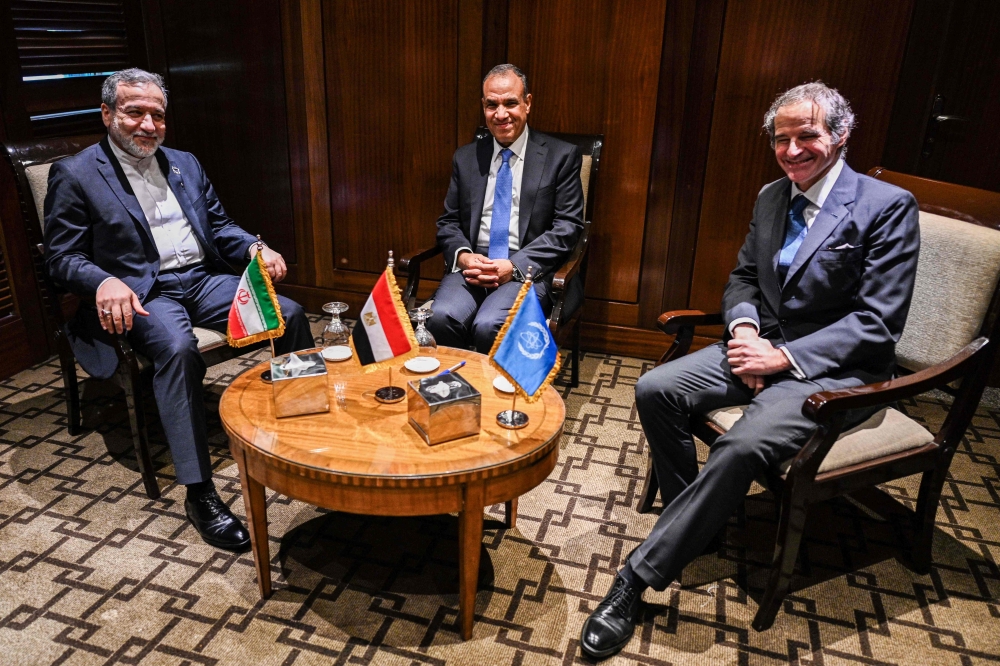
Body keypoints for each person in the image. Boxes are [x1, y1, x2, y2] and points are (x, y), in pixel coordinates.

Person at [579, 82, 920, 659]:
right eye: (781, 139)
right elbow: (743, 278)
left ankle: (635, 579)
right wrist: (743, 332)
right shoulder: (771, 197)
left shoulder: (886, 206)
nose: (792, 150)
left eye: (807, 136)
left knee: (738, 446)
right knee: (656, 388)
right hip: (760, 345)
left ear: (841, 134)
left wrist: (782, 358)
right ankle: (699, 523)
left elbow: (878, 322)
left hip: (835, 373)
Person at [44, 68, 313, 552]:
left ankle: (302, 424)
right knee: (177, 347)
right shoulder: (76, 173)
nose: (149, 125)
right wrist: (103, 280)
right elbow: (62, 258)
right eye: (135, 112)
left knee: (290, 313)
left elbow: (220, 226)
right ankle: (200, 492)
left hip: (202, 279)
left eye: (158, 115)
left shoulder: (184, 162)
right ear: (107, 114)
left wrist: (255, 246)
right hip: (144, 292)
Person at [426, 64, 584, 353]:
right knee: (440, 317)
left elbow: (568, 226)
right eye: (492, 105)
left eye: (510, 103)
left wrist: (514, 266)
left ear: (527, 103)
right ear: (483, 107)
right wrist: (464, 257)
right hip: (474, 265)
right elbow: (449, 221)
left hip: (526, 266)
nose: (501, 114)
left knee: (490, 325)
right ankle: (459, 380)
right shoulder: (466, 157)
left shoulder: (560, 156)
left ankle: (498, 384)